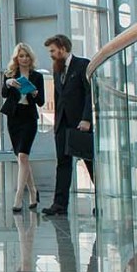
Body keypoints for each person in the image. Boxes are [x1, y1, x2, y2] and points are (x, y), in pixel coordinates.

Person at [41, 34, 95, 217]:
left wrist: (87, 119)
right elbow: (59, 98)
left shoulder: (82, 65)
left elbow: (90, 94)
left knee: (90, 163)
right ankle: (59, 204)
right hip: (62, 125)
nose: (51, 55)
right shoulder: (57, 70)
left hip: (81, 124)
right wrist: (56, 125)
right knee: (63, 164)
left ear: (63, 48)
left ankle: (103, 200)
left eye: (53, 51)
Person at [1, 42, 45, 212]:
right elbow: (4, 94)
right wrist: (8, 83)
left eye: (27, 56)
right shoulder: (10, 74)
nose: (24, 59)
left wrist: (35, 93)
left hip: (29, 118)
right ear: (16, 58)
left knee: (23, 156)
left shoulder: (37, 77)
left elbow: (41, 102)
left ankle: (19, 196)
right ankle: (33, 191)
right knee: (21, 159)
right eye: (21, 56)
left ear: (30, 58)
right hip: (14, 117)